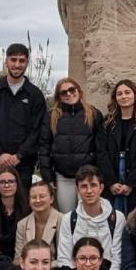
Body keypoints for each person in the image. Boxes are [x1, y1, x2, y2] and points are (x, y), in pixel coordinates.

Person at [0, 42, 47, 198]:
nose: (17, 64)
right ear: (6, 61)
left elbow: (38, 130)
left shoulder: (35, 95)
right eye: (13, 60)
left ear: (27, 63)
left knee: (21, 210)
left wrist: (19, 156)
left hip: (22, 166)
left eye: (22, 61)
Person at [39, 77, 101, 214]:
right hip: (63, 177)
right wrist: (48, 177)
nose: (69, 94)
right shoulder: (52, 116)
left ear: (79, 91)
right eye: (63, 92)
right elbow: (44, 148)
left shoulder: (93, 114)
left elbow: (101, 148)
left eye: (72, 90)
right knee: (66, 217)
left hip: (88, 177)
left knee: (88, 217)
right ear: (59, 97)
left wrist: (99, 175)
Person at [96, 79, 136, 215]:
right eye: (119, 94)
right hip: (112, 172)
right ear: (115, 98)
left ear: (135, 95)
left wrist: (130, 183)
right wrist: (111, 182)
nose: (123, 96)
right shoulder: (107, 123)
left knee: (135, 218)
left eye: (127, 92)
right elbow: (101, 153)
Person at [56, 164, 125, 270]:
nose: (89, 191)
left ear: (101, 187)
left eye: (93, 185)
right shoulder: (68, 219)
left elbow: (117, 259)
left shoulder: (117, 218)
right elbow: (64, 258)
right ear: (77, 189)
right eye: (84, 186)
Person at [0, 164, 30, 260]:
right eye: (2, 182)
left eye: (11, 181)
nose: (6, 185)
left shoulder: (28, 210)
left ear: (17, 183)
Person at [15, 177, 62, 259]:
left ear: (51, 199)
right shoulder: (22, 224)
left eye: (42, 196)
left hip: (55, 269)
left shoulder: (63, 221)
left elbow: (65, 258)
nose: (37, 200)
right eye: (33, 197)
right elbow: (18, 258)